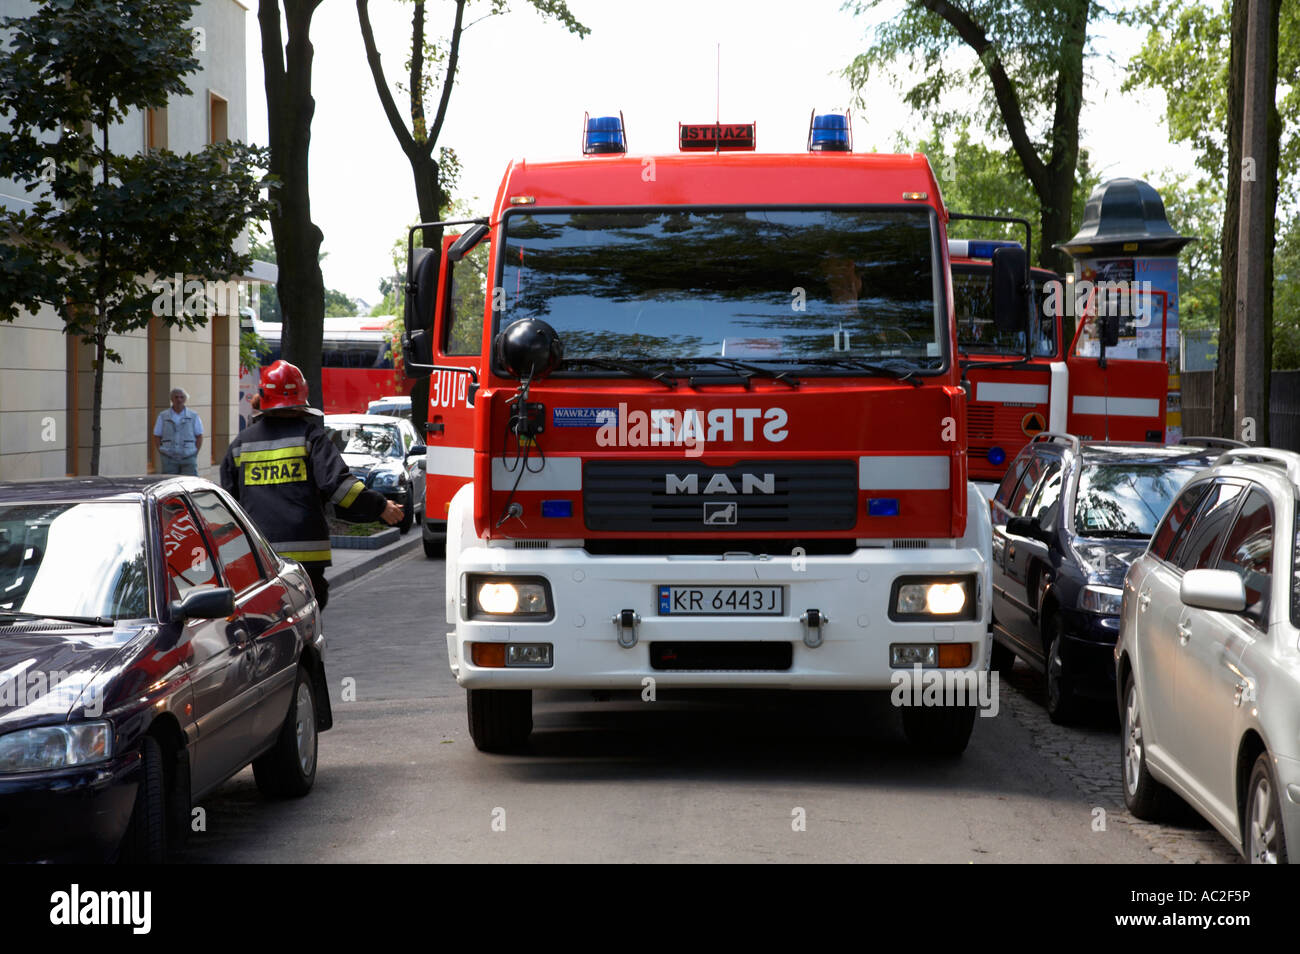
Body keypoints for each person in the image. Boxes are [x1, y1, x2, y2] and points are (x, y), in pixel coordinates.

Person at [220, 360, 402, 610]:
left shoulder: (240, 445)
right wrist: (380, 506)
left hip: (259, 558)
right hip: (307, 561)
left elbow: (228, 505)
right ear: (301, 397)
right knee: (305, 623)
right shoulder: (310, 437)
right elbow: (340, 488)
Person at [154, 388, 204, 475]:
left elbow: (199, 436)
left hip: (188, 456)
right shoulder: (163, 416)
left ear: (185, 399)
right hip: (169, 458)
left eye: (181, 397)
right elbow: (157, 435)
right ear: (172, 399)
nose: (179, 400)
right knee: (170, 483)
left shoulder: (193, 416)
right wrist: (162, 451)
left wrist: (194, 452)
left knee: (190, 482)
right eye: (176, 397)